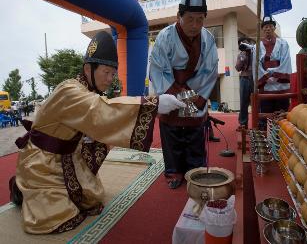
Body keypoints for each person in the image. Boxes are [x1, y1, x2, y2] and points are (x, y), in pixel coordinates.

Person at [8, 31, 185, 234]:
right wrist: (154, 104)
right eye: (106, 72)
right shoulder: (70, 91)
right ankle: (24, 188)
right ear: (87, 69)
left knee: (93, 196)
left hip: (65, 156)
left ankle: (29, 189)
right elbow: (99, 109)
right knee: (54, 216)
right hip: (41, 163)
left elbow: (99, 114)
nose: (111, 79)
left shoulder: (86, 91)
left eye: (113, 73)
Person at [149, 0, 219, 189]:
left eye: (200, 19)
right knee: (172, 137)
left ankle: (194, 169)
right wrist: (176, 95)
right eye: (190, 19)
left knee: (194, 136)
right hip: (170, 93)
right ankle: (173, 172)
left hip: (195, 94)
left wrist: (193, 98)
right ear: (179, 16)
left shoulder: (208, 40)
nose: (195, 25)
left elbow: (210, 72)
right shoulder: (164, 37)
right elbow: (158, 69)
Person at [255, 16, 292, 127]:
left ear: (274, 28)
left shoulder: (283, 44)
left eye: (270, 26)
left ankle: (280, 141)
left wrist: (272, 72)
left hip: (281, 86)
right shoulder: (258, 46)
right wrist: (266, 75)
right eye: (265, 27)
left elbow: (286, 62)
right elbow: (256, 64)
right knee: (266, 118)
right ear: (262, 29)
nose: (268, 29)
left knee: (281, 116)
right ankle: (266, 141)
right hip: (265, 86)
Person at [235, 37, 254, 130]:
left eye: (245, 43)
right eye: (241, 43)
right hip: (244, 78)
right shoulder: (240, 55)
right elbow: (238, 68)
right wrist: (241, 59)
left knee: (256, 101)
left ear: (249, 43)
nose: (243, 45)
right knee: (243, 102)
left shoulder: (255, 51)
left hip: (255, 78)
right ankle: (243, 123)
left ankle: (257, 122)